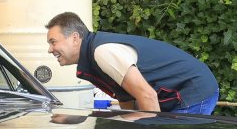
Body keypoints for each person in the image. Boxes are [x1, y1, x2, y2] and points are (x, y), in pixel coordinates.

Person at [44, 11, 219, 115]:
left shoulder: (103, 52)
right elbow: (127, 100)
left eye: (53, 42)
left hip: (194, 90)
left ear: (75, 38)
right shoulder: (92, 54)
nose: (50, 50)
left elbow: (147, 96)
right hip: (180, 91)